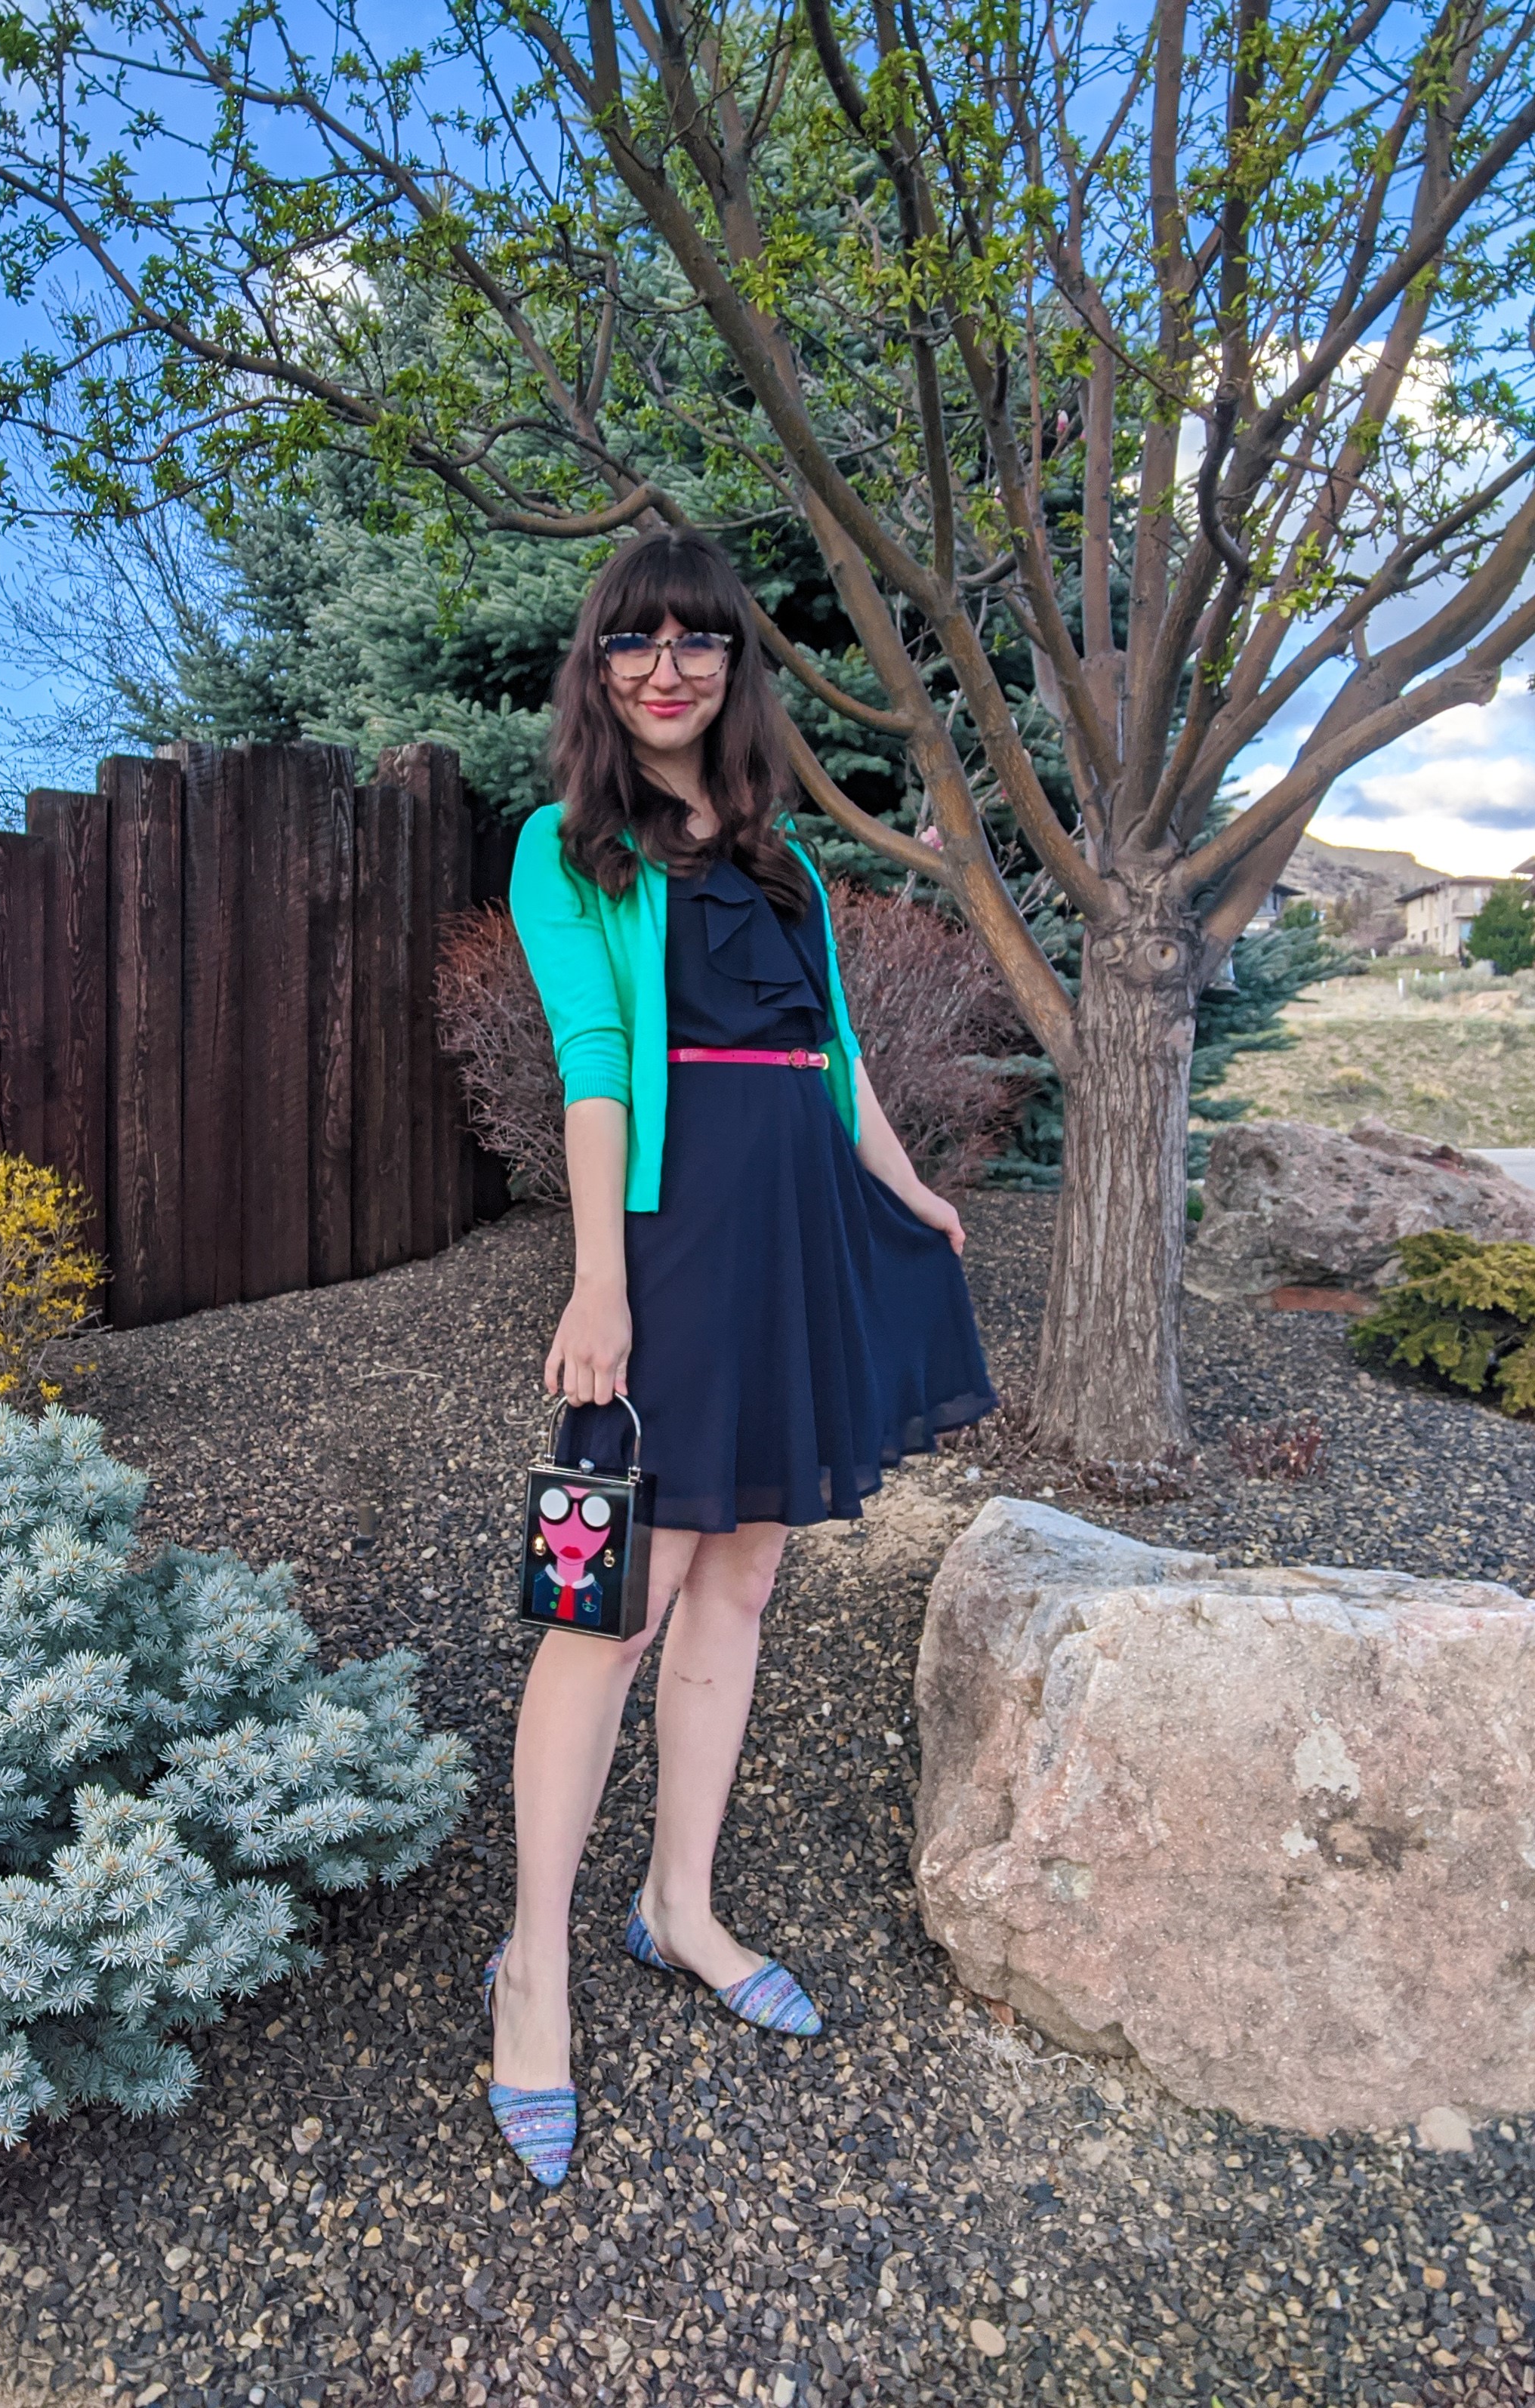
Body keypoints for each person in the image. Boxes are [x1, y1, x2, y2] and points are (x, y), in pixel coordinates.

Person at [485, 529, 996, 2187]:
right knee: (612, 1604)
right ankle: (533, 1967)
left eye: (696, 642)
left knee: (742, 1581)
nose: (665, 668)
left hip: (792, 1241)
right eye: (633, 641)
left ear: (731, 668)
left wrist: (904, 1181)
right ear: (596, 665)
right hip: (673, 1243)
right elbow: (595, 1057)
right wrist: (596, 1281)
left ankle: (676, 1903)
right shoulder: (568, 846)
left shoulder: (777, 855)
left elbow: (827, 1051)